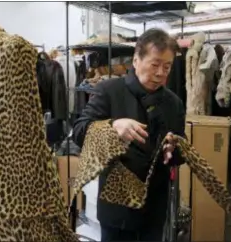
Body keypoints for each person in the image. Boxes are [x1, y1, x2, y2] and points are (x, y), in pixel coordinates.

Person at [73, 28, 186, 241]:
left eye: (167, 66)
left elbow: (181, 148)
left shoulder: (173, 103)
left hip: (154, 208)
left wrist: (175, 148)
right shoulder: (110, 91)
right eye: (155, 65)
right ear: (136, 60)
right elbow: (79, 132)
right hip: (118, 207)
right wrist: (112, 126)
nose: (161, 73)